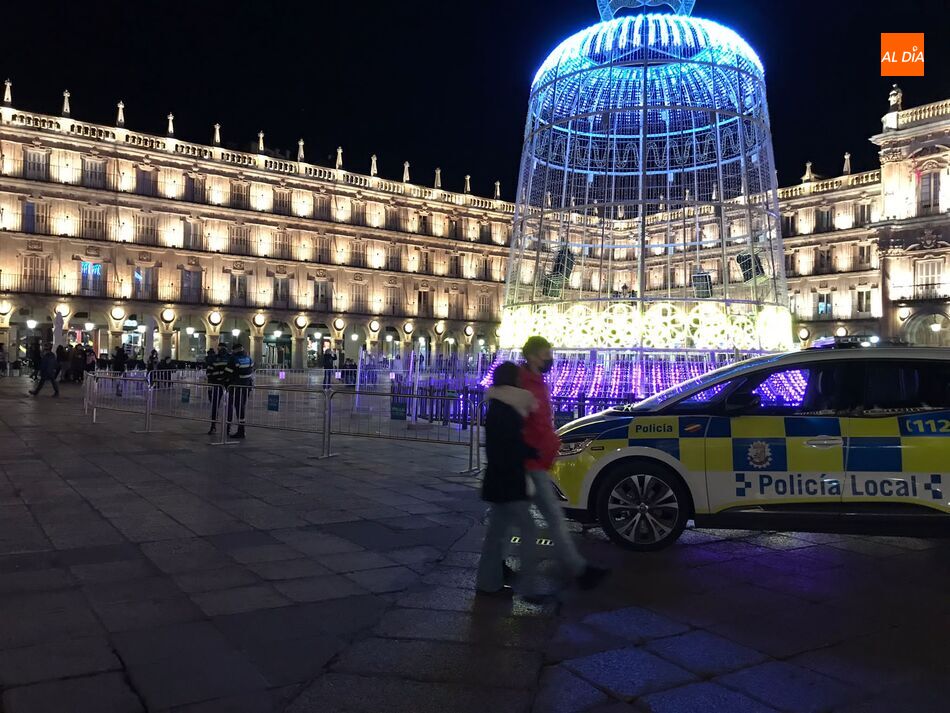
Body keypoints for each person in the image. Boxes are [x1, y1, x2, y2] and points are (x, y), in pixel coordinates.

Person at [520, 336, 609, 590]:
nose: (551, 357)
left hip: (537, 461)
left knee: (512, 522)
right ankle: (531, 584)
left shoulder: (537, 381)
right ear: (535, 355)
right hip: (528, 463)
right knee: (533, 523)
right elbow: (523, 424)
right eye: (547, 353)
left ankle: (498, 572)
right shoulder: (524, 384)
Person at [476, 361, 542, 598]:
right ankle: (521, 584)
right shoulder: (505, 410)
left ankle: (493, 578)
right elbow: (507, 446)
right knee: (525, 529)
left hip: (502, 480)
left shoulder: (501, 406)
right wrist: (530, 452)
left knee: (498, 533)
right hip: (507, 481)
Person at [224, 342, 254, 439]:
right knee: (242, 407)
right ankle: (242, 429)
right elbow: (251, 370)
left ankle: (240, 431)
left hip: (236, 386)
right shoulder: (249, 358)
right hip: (247, 387)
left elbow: (227, 373)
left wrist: (226, 384)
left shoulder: (234, 359)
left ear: (235, 350)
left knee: (237, 407)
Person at [205, 344, 228, 434]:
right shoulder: (229, 358)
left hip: (219, 384)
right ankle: (220, 427)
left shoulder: (215, 359)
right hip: (223, 385)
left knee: (215, 405)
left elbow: (209, 372)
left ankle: (214, 426)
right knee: (217, 405)